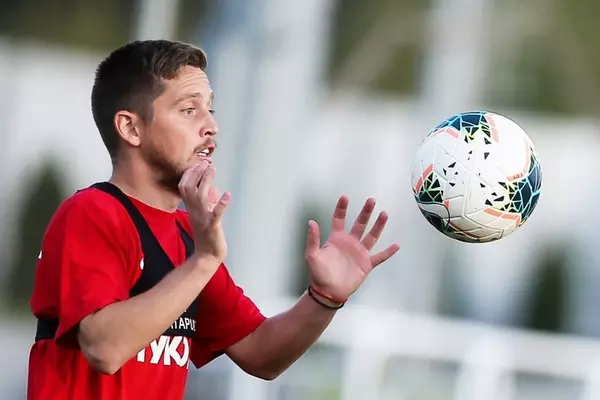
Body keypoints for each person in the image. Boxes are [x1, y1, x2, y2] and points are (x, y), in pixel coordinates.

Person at [26, 39, 400, 400]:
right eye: (189, 110)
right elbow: (103, 348)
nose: (211, 126)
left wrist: (324, 297)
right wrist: (204, 261)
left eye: (210, 109)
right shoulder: (93, 211)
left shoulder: (187, 235)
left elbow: (260, 352)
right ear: (131, 128)